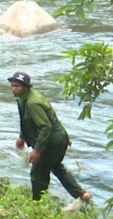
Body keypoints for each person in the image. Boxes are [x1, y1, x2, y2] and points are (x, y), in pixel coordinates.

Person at [9, 72, 91, 203]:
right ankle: (82, 194)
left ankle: (37, 203)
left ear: (26, 87)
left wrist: (38, 150)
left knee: (37, 173)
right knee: (56, 167)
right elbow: (26, 121)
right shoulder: (23, 98)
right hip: (57, 139)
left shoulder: (32, 103)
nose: (13, 89)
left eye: (17, 86)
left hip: (52, 141)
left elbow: (46, 127)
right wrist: (22, 137)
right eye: (12, 85)